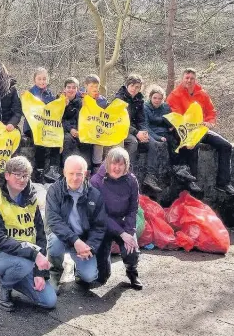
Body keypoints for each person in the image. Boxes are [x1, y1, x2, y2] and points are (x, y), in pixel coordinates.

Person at [0, 156, 57, 311]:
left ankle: (14, 277)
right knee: (24, 263)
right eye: (17, 175)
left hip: (25, 257)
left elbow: (40, 236)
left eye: (25, 176)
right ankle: (3, 285)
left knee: (49, 301)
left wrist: (39, 273)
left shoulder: (31, 199)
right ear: (7, 175)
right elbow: (0, 240)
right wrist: (34, 255)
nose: (22, 179)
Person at [166, 68, 234, 195]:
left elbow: (211, 112)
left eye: (192, 78)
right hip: (185, 131)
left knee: (225, 145)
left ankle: (223, 183)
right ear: (182, 79)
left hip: (201, 129)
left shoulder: (202, 94)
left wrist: (209, 122)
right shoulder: (174, 95)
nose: (189, 80)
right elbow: (175, 117)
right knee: (193, 144)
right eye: (187, 78)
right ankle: (192, 180)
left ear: (195, 80)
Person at [44, 155, 107, 292]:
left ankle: (79, 272)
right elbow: (53, 220)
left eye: (79, 174)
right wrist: (75, 240)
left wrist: (90, 247)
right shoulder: (55, 190)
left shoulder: (95, 195)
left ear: (85, 174)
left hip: (83, 240)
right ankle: (54, 273)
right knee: (54, 243)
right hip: (61, 237)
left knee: (90, 277)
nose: (75, 178)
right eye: (71, 173)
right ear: (64, 172)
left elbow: (99, 226)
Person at [90, 147, 143, 290]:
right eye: (114, 163)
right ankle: (99, 269)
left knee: (131, 248)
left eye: (121, 164)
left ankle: (132, 272)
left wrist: (129, 232)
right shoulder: (96, 181)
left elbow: (133, 208)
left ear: (126, 165)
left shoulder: (132, 181)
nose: (117, 168)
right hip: (103, 224)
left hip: (123, 221)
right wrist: (121, 233)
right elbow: (99, 214)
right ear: (107, 163)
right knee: (102, 277)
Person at [144, 86, 201, 192]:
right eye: (155, 98)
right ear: (150, 97)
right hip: (155, 132)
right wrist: (158, 137)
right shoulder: (145, 107)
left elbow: (172, 120)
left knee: (184, 140)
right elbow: (146, 126)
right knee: (170, 142)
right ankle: (179, 168)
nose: (157, 101)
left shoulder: (165, 107)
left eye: (160, 99)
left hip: (167, 130)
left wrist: (171, 125)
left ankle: (185, 169)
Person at [114, 74, 162, 192]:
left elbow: (141, 119)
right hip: (121, 129)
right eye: (132, 86)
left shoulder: (139, 99)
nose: (134, 89)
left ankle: (150, 176)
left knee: (153, 143)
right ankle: (128, 171)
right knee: (134, 142)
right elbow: (119, 120)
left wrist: (143, 131)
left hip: (135, 129)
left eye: (137, 87)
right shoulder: (119, 98)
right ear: (127, 85)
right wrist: (136, 133)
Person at [23, 67, 61, 183]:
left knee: (55, 139)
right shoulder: (30, 93)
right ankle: (39, 171)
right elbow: (27, 110)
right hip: (32, 126)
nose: (42, 81)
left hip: (47, 126)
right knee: (40, 141)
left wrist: (61, 100)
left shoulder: (50, 94)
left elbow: (53, 111)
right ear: (35, 80)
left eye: (44, 79)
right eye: (39, 79)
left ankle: (53, 170)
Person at [60, 77, 92, 169]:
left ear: (77, 89)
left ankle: (87, 169)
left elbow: (85, 118)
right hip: (65, 130)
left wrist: (79, 130)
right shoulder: (60, 100)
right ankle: (67, 168)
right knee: (68, 139)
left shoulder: (81, 101)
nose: (71, 90)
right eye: (69, 87)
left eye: (74, 87)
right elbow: (59, 119)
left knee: (87, 138)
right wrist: (70, 129)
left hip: (79, 129)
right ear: (64, 89)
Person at [80, 74, 108, 172]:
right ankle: (86, 168)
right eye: (91, 86)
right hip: (84, 128)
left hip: (97, 129)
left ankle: (97, 167)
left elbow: (106, 115)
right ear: (86, 86)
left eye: (96, 86)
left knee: (99, 141)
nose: (94, 89)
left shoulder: (102, 100)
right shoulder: (81, 97)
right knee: (85, 142)